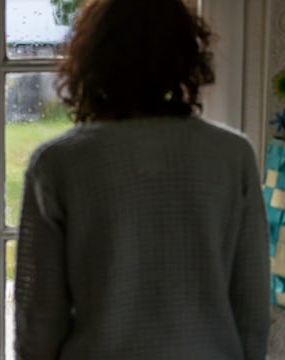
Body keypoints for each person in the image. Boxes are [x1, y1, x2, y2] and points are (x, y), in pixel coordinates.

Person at [14, 0, 271, 359]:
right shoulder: (232, 155)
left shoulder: (59, 163)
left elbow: (39, 321)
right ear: (185, 55)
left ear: (91, 59)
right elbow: (253, 307)